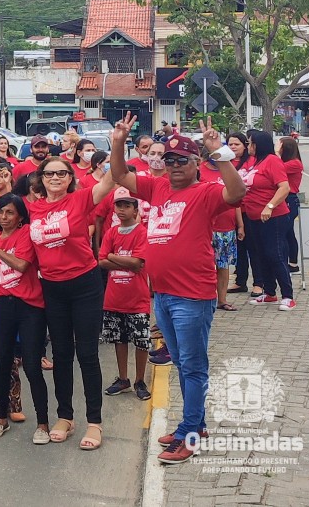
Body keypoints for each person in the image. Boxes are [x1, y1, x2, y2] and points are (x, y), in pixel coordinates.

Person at [110, 115, 245, 465]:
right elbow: (121, 175)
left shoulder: (206, 191)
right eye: (168, 161)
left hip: (192, 296)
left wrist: (221, 152)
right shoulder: (158, 188)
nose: (173, 166)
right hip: (164, 295)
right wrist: (118, 143)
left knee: (193, 365)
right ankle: (195, 425)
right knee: (183, 365)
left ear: (196, 163)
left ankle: (188, 433)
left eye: (181, 160)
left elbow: (237, 193)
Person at [27, 148, 116, 450]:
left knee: (87, 354)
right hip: (52, 288)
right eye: (49, 173)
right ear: (41, 178)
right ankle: (65, 416)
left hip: (84, 285)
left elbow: (112, 177)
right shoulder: (33, 208)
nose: (55, 178)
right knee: (62, 355)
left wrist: (118, 142)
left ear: (70, 177)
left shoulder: (80, 199)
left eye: (61, 173)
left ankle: (95, 422)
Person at [0, 193, 50, 443]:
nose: (4, 217)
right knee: (2, 364)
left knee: (31, 366)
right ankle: (1, 420)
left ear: (20, 216)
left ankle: (42, 424)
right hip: (1, 307)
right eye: (0, 212)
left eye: (9, 212)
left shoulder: (26, 233)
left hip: (30, 307)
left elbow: (21, 265)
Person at [98, 188, 153, 401]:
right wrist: (119, 259)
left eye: (127, 206)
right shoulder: (111, 233)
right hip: (114, 298)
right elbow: (101, 261)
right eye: (118, 205)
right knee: (119, 340)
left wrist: (112, 256)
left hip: (137, 299)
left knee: (141, 342)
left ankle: (139, 380)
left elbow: (138, 262)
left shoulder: (142, 232)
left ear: (135, 209)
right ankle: (123, 379)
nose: (121, 210)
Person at [243, 131, 294, 309]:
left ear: (258, 145)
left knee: (275, 254)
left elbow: (284, 187)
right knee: (261, 254)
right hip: (254, 217)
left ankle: (288, 296)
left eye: (250, 143)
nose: (248, 146)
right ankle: (269, 292)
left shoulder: (272, 161)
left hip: (274, 217)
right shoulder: (255, 162)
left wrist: (269, 206)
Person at [199, 153, 241, 312]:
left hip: (226, 227)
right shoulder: (199, 170)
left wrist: (240, 225)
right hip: (206, 227)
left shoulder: (229, 171)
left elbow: (237, 200)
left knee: (223, 266)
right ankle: (204, 298)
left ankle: (222, 300)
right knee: (204, 265)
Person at [225, 133, 254, 294]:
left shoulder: (251, 162)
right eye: (231, 144)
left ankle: (259, 282)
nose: (233, 147)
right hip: (231, 212)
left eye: (237, 144)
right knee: (239, 249)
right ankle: (240, 281)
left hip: (248, 211)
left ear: (245, 145)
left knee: (254, 248)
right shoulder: (225, 163)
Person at [278, 137, 303, 273]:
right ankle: (292, 263)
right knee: (288, 233)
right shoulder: (286, 162)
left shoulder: (294, 163)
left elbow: (276, 168)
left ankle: (291, 263)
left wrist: (275, 153)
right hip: (284, 199)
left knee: (284, 232)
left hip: (290, 199)